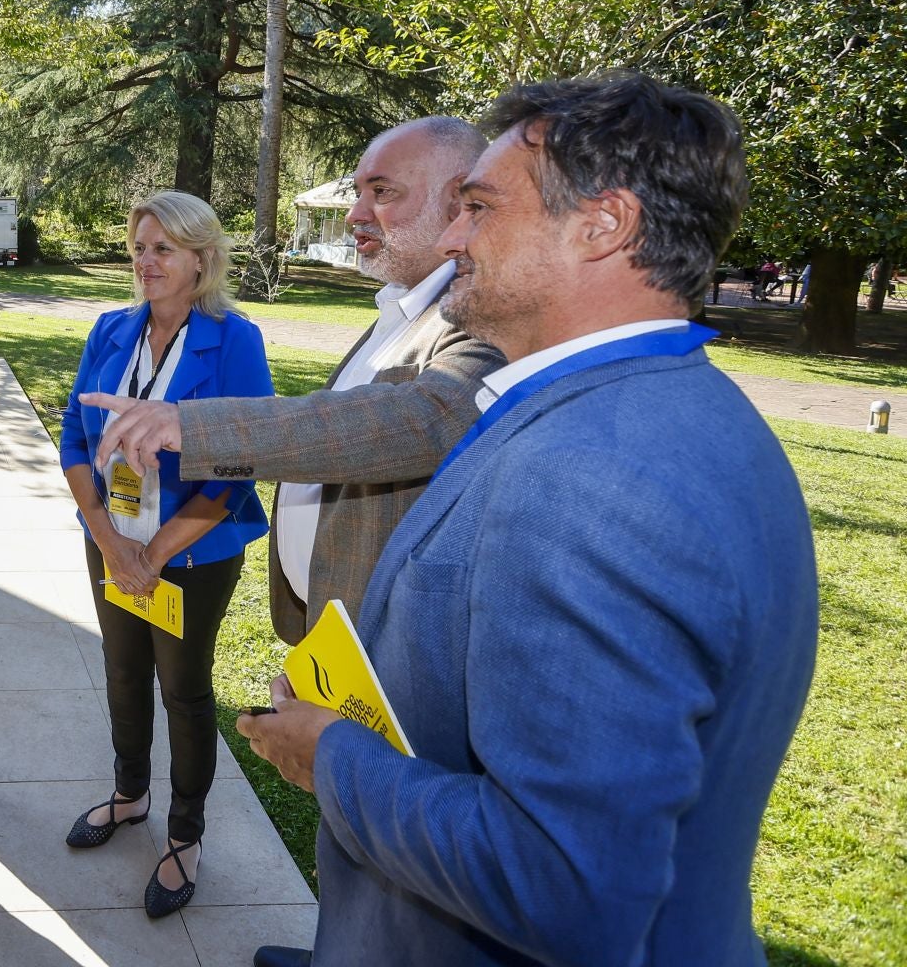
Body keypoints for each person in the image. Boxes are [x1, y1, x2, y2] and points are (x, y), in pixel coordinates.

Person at [237, 72, 817, 967]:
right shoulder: (675, 407)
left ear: (604, 225)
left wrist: (331, 760)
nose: (454, 238)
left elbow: (563, 882)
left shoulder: (595, 474)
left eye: (478, 207)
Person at [81, 118, 499, 645]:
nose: (354, 214)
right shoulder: (399, 307)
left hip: (389, 639)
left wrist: (187, 425)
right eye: (357, 193)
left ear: (459, 200)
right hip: (330, 624)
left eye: (382, 192)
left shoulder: (480, 315)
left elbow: (418, 420)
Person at [57, 191, 274, 919]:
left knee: (182, 690)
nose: (146, 262)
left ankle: (185, 835)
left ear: (202, 259)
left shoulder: (233, 339)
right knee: (121, 672)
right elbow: (73, 441)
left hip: (193, 555)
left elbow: (238, 464)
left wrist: (153, 555)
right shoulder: (111, 329)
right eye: (140, 248)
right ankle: (130, 795)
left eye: (164, 250)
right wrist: (112, 542)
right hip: (112, 542)